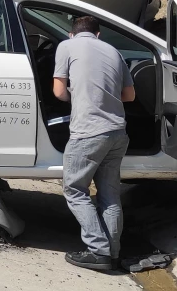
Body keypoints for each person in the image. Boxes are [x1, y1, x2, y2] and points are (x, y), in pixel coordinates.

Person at [52, 14, 135, 271]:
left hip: (87, 132)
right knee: (110, 196)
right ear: (98, 34)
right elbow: (129, 95)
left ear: (72, 34)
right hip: (117, 134)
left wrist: (76, 98)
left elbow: (58, 91)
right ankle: (113, 253)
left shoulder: (66, 46)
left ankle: (98, 250)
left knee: (75, 189)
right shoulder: (113, 51)